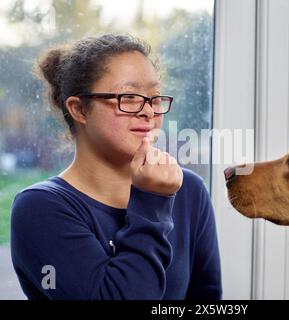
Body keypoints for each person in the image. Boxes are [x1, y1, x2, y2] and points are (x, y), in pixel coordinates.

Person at [10, 34, 222, 300]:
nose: (149, 111)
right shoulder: (39, 209)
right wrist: (152, 202)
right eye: (130, 96)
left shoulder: (187, 189)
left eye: (154, 97)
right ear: (79, 110)